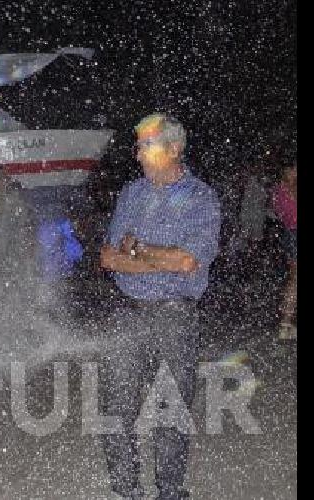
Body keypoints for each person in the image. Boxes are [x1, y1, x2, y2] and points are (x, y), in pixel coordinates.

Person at [98, 113, 220, 500]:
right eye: (138, 146)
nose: (138, 154)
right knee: (116, 407)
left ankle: (169, 490)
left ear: (174, 149)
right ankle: (126, 489)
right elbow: (109, 258)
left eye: (146, 146)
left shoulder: (200, 197)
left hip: (175, 314)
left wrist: (138, 249)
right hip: (128, 310)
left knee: (171, 411)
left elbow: (189, 262)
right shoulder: (132, 194)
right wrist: (155, 256)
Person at [272, 162, 298, 339]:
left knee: (293, 280)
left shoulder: (278, 191)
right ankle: (286, 324)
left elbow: (278, 214)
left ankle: (285, 324)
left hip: (290, 235)